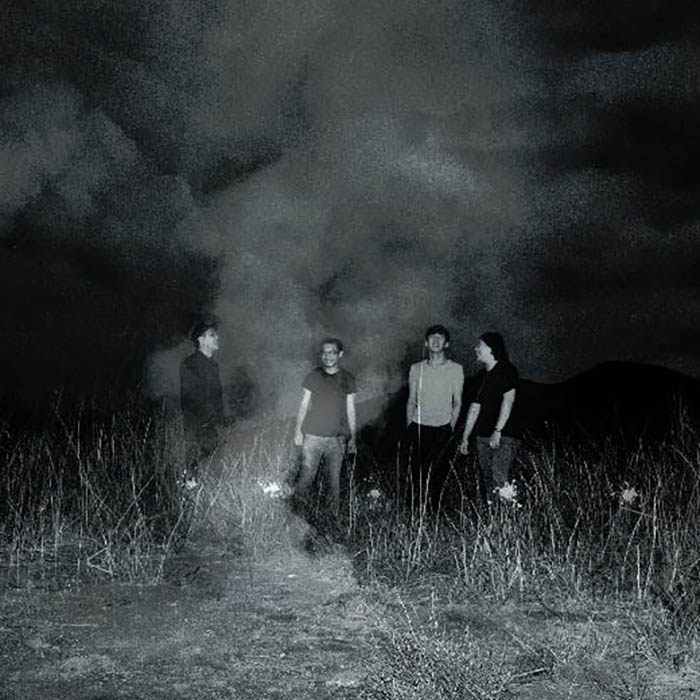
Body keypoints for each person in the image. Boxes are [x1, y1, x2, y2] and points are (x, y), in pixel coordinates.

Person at [293, 338, 357, 528]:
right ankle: (295, 518)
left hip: (337, 439)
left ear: (340, 354)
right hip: (312, 437)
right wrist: (298, 432)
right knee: (306, 478)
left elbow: (351, 409)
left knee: (334, 482)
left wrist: (353, 438)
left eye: (332, 352)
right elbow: (303, 405)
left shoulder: (348, 378)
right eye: (324, 352)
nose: (328, 356)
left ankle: (332, 522)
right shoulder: (313, 376)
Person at [405, 324, 464, 509]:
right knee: (416, 472)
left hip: (443, 427)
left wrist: (450, 428)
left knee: (438, 472)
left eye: (440, 338)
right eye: (432, 337)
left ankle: (435, 512)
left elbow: (457, 402)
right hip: (419, 425)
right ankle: (414, 511)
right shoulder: (416, 368)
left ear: (446, 344)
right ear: (426, 342)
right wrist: (409, 427)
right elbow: (411, 400)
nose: (436, 341)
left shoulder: (456, 369)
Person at [459, 332, 519, 499]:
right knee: (488, 480)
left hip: (504, 436)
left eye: (480, 345)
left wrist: (498, 430)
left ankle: (508, 513)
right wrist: (465, 437)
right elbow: (474, 408)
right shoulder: (480, 377)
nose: (476, 349)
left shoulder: (506, 370)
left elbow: (508, 400)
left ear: (492, 348)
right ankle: (493, 513)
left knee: (500, 479)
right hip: (482, 436)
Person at [180, 320, 224, 483]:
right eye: (212, 335)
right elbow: (190, 398)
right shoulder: (191, 364)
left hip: (211, 427)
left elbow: (216, 398)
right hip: (198, 427)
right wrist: (205, 422)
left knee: (212, 469)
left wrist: (220, 420)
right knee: (195, 469)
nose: (217, 338)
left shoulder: (213, 365)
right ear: (201, 340)